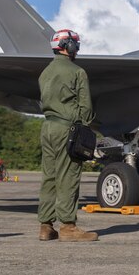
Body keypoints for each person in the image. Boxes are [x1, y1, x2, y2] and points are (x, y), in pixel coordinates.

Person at [37, 29, 98, 242]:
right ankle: (68, 227)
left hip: (47, 128)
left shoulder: (44, 73)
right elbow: (87, 110)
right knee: (68, 176)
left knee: (50, 176)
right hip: (67, 129)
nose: (77, 49)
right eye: (76, 45)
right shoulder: (77, 72)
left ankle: (46, 226)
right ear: (68, 46)